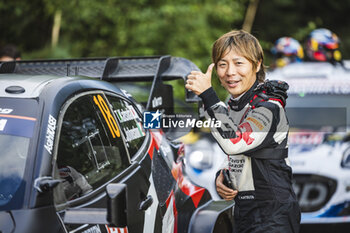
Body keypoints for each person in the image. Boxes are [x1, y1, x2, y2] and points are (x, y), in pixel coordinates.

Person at [185, 30, 300, 233]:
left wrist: (208, 95)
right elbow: (239, 152)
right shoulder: (235, 105)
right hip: (244, 212)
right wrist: (223, 174)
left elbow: (235, 142)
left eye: (239, 63)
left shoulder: (270, 107)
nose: (230, 72)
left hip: (273, 215)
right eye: (222, 64)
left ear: (256, 65)